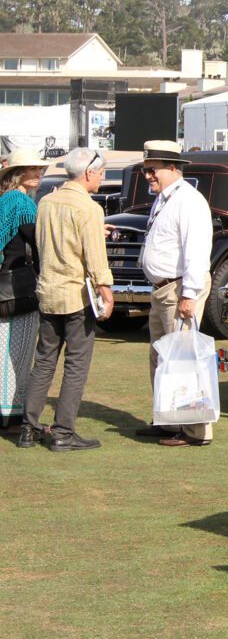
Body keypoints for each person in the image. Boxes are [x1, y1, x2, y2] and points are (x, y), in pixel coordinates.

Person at [20, 149, 114, 451]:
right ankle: (63, 432)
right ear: (88, 173)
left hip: (48, 292)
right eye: (101, 173)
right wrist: (106, 292)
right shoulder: (89, 208)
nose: (102, 178)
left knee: (44, 362)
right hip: (75, 296)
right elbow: (96, 259)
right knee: (76, 365)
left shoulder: (46, 202)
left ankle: (28, 428)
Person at [137, 141, 215, 447]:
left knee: (183, 359)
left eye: (152, 169)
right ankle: (169, 422)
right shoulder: (165, 199)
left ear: (172, 168)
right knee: (162, 357)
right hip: (165, 289)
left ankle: (195, 431)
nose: (148, 175)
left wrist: (189, 294)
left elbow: (197, 250)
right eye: (145, 169)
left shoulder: (189, 201)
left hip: (180, 287)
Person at [0, 150, 46, 431]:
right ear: (18, 174)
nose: (39, 174)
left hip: (4, 284)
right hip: (19, 288)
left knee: (3, 351)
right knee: (19, 353)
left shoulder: (4, 201)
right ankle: (12, 414)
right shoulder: (23, 204)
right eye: (33, 169)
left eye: (40, 169)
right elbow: (40, 241)